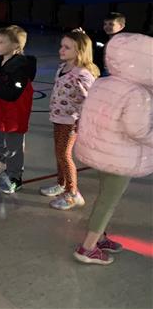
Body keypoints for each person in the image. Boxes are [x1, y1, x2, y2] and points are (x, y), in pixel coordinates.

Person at [73, 33, 153, 265]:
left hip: (101, 151)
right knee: (109, 200)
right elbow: (137, 131)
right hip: (120, 156)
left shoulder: (103, 82)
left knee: (104, 195)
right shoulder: (137, 93)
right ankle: (87, 248)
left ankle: (99, 237)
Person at [41, 30, 99, 210]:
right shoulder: (62, 68)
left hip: (71, 122)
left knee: (64, 155)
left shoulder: (83, 74)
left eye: (67, 47)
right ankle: (62, 184)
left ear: (79, 51)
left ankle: (73, 193)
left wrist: (84, 121)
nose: (61, 50)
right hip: (58, 118)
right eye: (61, 46)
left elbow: (92, 100)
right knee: (59, 153)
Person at [0, 25, 37, 193]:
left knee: (13, 148)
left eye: (2, 42)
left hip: (13, 116)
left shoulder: (21, 68)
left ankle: (15, 177)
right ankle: (4, 164)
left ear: (16, 45)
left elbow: (10, 93)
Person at [92, 12, 125, 77]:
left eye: (111, 24)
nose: (107, 27)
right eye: (105, 24)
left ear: (121, 26)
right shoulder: (104, 39)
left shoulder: (122, 42)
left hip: (114, 74)